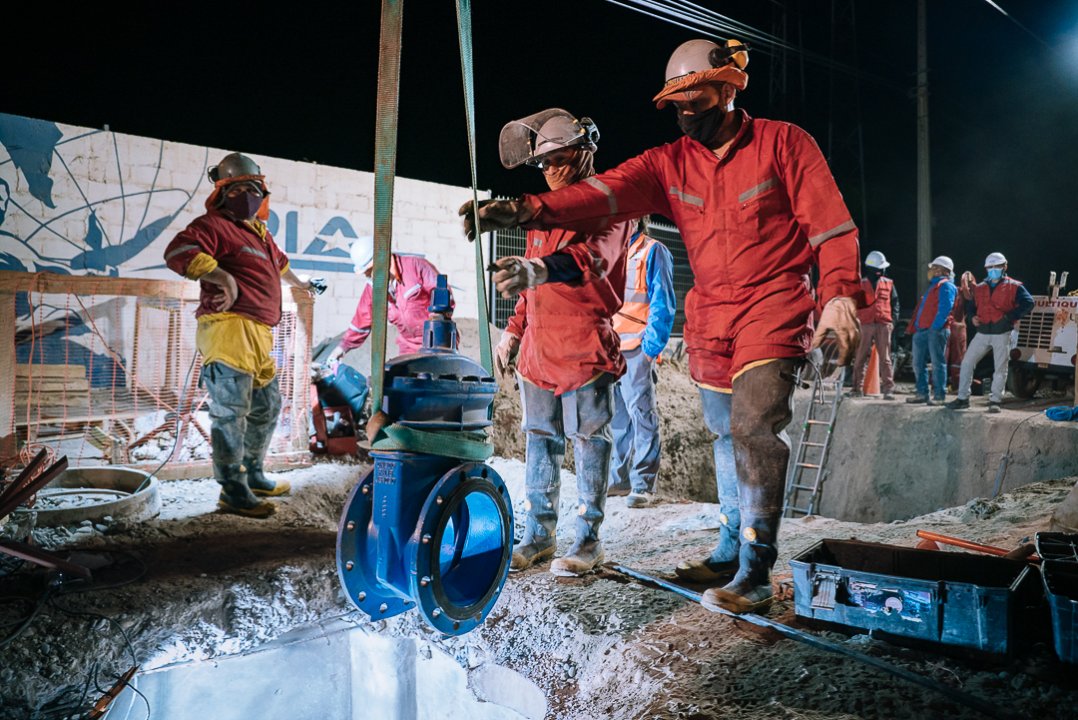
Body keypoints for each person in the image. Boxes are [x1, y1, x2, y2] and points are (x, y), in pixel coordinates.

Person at [461, 40, 864, 613]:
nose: (686, 115)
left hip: (772, 307)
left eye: (696, 101)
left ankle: (754, 568)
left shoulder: (784, 143)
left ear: (729, 89)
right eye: (677, 106)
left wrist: (841, 297)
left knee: (752, 429)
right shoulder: (669, 163)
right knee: (726, 433)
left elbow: (831, 227)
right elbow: (606, 191)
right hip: (710, 319)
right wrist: (527, 210)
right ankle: (730, 548)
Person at [490, 108, 632, 577]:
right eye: (543, 163)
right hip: (538, 348)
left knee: (590, 439)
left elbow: (591, 259)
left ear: (586, 152)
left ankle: (589, 539)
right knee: (540, 440)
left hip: (584, 343)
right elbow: (531, 287)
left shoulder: (608, 205)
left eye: (559, 158)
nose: (549, 170)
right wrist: (514, 330)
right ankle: (539, 535)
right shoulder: (543, 216)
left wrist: (541, 270)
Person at [164, 153, 320, 518]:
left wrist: (302, 284)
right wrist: (224, 277)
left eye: (254, 189)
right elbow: (178, 251)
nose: (248, 195)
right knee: (230, 414)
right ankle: (232, 490)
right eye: (240, 189)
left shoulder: (259, 234)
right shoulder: (215, 225)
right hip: (228, 331)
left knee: (267, 407)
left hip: (259, 333)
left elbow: (281, 266)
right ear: (223, 192)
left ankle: (253, 473)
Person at [606, 217, 675, 509]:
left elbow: (663, 303)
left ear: (636, 220)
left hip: (636, 349)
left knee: (642, 415)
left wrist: (650, 349)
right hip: (612, 347)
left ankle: (643, 484)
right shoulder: (613, 252)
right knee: (619, 418)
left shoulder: (654, 251)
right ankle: (618, 480)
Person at [324, 238, 452, 366]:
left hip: (438, 342)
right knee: (405, 382)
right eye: (366, 273)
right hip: (408, 347)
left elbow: (446, 296)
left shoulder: (416, 266)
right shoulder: (374, 288)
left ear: (382, 260)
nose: (368, 277)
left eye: (369, 271)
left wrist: (436, 322)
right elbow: (361, 321)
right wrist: (342, 348)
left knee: (435, 381)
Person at [946, 252, 1033, 413]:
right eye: (990, 267)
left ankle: (995, 401)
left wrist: (1009, 317)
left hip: (1002, 332)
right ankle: (963, 398)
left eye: (997, 266)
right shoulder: (980, 287)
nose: (993, 269)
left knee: (1000, 367)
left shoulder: (1015, 286)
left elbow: (1029, 303)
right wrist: (972, 317)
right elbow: (971, 307)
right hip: (983, 331)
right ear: (986, 268)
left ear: (1004, 267)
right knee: (967, 363)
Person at [904, 257, 957, 406]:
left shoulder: (946, 286)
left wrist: (935, 327)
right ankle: (922, 393)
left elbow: (945, 308)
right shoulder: (933, 286)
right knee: (917, 363)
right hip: (922, 330)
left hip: (936, 330)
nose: (932, 270)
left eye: (935, 267)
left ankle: (939, 395)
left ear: (944, 270)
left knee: (937, 363)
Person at [850, 250, 899, 399]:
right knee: (860, 357)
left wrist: (892, 322)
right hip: (864, 325)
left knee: (885, 358)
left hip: (883, 324)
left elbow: (895, 303)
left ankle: (888, 390)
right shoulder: (860, 285)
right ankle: (856, 389)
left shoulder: (889, 283)